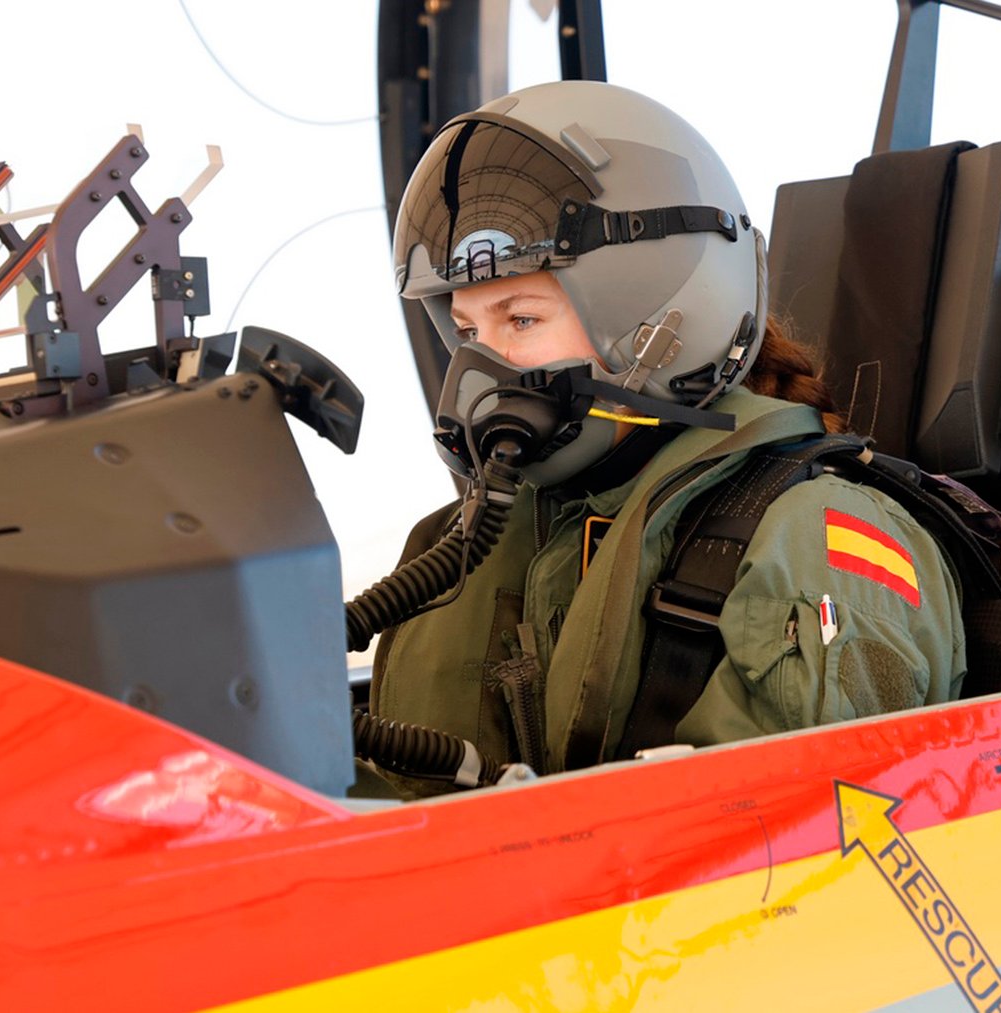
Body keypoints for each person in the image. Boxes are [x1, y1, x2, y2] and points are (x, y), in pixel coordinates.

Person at [367, 80, 965, 796]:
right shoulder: (464, 544)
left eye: (520, 320)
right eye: (466, 331)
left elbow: (795, 862)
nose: (480, 367)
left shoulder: (817, 547)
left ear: (661, 322)